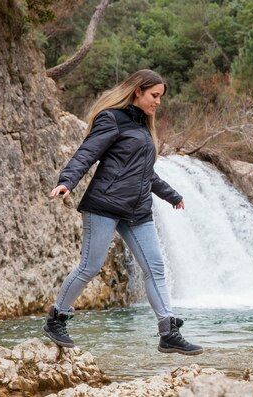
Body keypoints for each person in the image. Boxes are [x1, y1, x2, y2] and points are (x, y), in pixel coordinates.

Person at [43, 69, 202, 356]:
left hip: (137, 210)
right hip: (104, 205)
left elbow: (144, 174)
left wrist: (172, 195)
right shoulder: (112, 119)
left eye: (160, 97)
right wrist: (67, 181)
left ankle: (168, 332)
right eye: (154, 95)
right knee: (89, 267)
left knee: (155, 268)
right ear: (137, 91)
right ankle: (57, 318)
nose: (158, 102)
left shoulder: (143, 127)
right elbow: (86, 153)